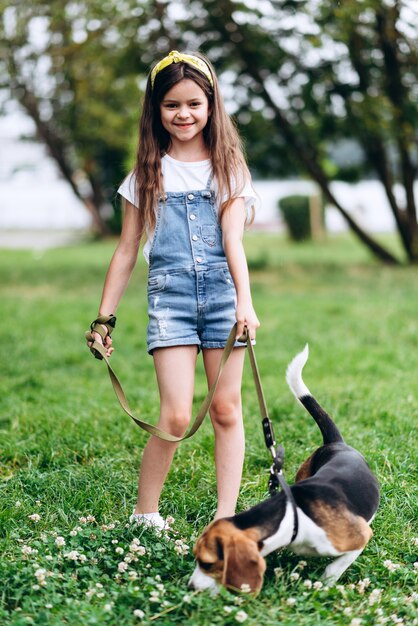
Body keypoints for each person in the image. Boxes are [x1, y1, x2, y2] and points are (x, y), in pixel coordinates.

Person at [86, 50, 260, 530]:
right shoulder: (146, 175)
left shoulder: (229, 169)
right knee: (176, 416)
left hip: (224, 299)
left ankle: (227, 516)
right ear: (155, 111)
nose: (183, 114)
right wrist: (104, 317)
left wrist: (245, 302)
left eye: (193, 104)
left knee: (226, 409)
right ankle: (146, 514)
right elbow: (125, 250)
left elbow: (232, 241)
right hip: (172, 302)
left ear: (211, 107)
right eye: (171, 106)